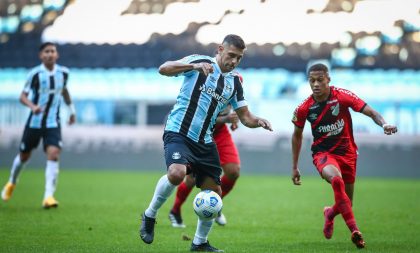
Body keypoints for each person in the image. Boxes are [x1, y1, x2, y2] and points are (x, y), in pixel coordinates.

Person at [139, 34, 272, 252]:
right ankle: (150, 215)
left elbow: (245, 117)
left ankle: (199, 242)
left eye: (239, 58)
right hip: (179, 131)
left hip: (205, 140)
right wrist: (191, 66)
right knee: (176, 174)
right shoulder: (200, 62)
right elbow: (163, 68)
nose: (234, 62)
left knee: (214, 195)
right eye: (231, 55)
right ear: (220, 49)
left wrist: (258, 121)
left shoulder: (235, 82)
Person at [291, 63, 398, 249]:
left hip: (348, 153)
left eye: (320, 80)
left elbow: (371, 112)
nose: (315, 84)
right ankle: (355, 231)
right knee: (336, 180)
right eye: (312, 81)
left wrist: (384, 124)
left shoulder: (342, 96)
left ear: (328, 80)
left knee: (347, 203)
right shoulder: (304, 108)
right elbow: (297, 135)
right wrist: (294, 166)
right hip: (323, 154)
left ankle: (330, 214)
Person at [1, 42, 76, 209]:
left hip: (53, 122)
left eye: (52, 51)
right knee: (24, 156)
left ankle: (48, 196)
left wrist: (71, 111)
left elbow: (64, 91)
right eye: (46, 52)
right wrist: (32, 106)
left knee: (54, 153)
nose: (50, 54)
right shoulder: (34, 74)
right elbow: (22, 96)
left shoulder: (63, 73)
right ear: (41, 56)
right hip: (34, 123)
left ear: (57, 55)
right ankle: (12, 182)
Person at [168, 108, 241, 228]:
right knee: (192, 177)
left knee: (233, 171)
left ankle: (214, 205)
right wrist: (226, 119)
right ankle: (174, 211)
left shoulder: (234, 89)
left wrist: (235, 119)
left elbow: (239, 107)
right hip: (198, 133)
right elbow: (200, 118)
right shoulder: (204, 89)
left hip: (220, 132)